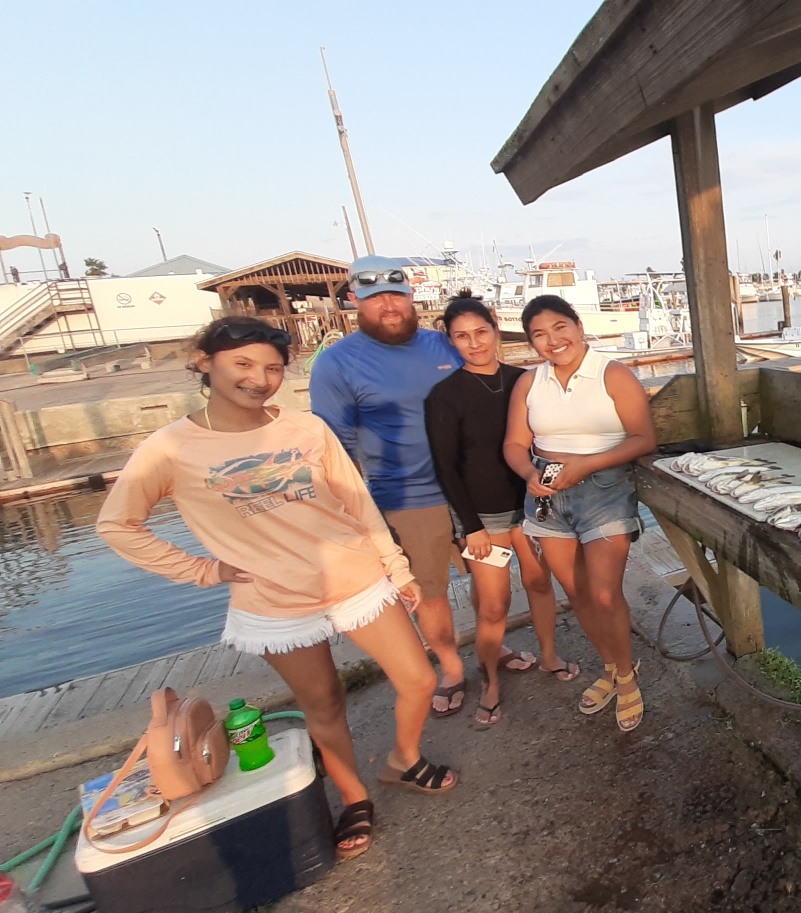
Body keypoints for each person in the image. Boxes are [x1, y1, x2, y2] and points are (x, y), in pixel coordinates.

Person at [97, 317, 460, 862]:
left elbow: (356, 503)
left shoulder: (307, 429)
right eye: (243, 364)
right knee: (323, 702)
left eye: (271, 367)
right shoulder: (169, 448)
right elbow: (118, 525)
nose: (259, 378)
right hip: (272, 603)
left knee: (417, 677)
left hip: (354, 578)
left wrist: (397, 569)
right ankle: (352, 794)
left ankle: (403, 758)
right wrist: (203, 570)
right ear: (205, 362)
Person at [311, 255, 534, 717]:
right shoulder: (336, 364)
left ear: (412, 296)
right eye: (374, 299)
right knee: (429, 592)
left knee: (490, 586)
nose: (388, 306)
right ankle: (451, 668)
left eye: (396, 295)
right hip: (407, 500)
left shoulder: (448, 344)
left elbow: (491, 393)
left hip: (476, 492)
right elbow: (333, 448)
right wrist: (354, 513)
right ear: (354, 300)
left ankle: (492, 649)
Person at [503, 295, 655, 732]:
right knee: (579, 594)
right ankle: (609, 668)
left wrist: (586, 465)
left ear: (578, 325)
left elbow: (643, 438)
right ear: (531, 343)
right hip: (547, 493)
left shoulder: (613, 374)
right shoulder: (530, 383)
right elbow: (515, 443)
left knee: (606, 594)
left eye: (559, 327)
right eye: (539, 334)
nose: (552, 341)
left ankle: (626, 677)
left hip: (604, 489)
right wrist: (527, 473)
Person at [426, 298, 579, 727]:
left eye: (480, 332)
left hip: (532, 506)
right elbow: (446, 467)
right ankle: (490, 679)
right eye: (461, 336)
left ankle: (548, 656)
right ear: (451, 341)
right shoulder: (444, 395)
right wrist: (468, 527)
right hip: (482, 520)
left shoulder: (525, 381)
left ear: (496, 330)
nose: (474, 343)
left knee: (539, 582)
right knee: (493, 604)